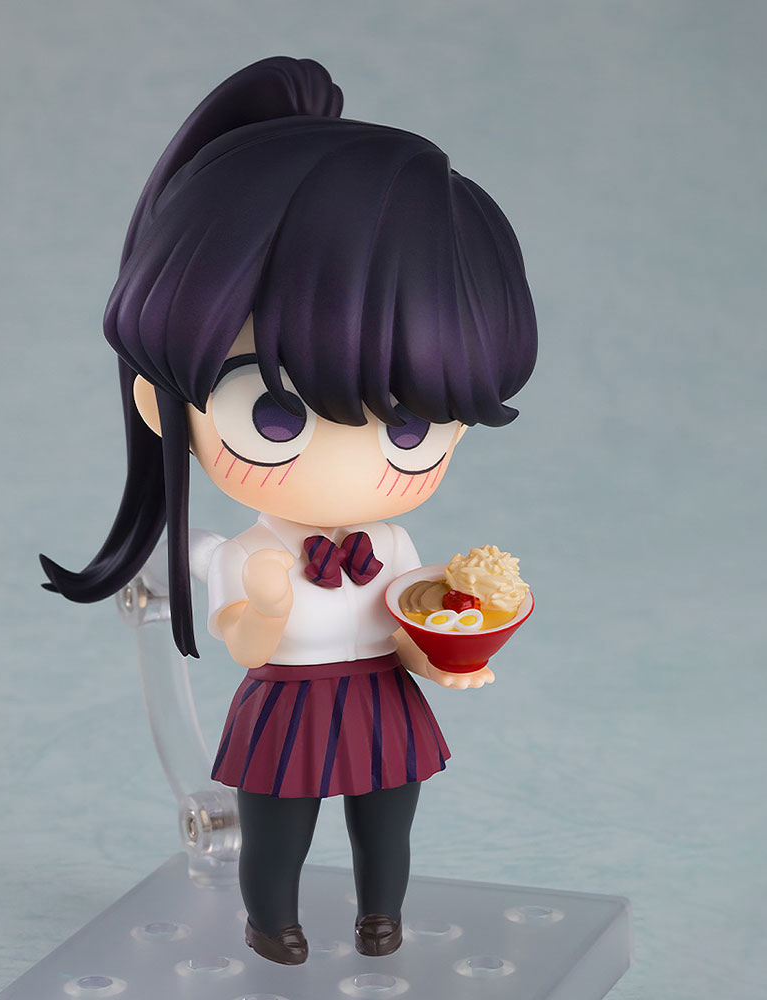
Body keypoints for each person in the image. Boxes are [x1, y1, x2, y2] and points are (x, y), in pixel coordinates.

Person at [40, 56, 538, 965]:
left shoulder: (393, 541)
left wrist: (446, 655)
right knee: (280, 828)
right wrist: (265, 601)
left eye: (411, 426)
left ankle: (380, 916)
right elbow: (243, 639)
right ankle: (272, 922)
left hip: (381, 698)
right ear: (161, 399)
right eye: (274, 415)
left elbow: (411, 620)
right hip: (288, 704)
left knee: (387, 822)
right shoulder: (250, 551)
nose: (351, 461)